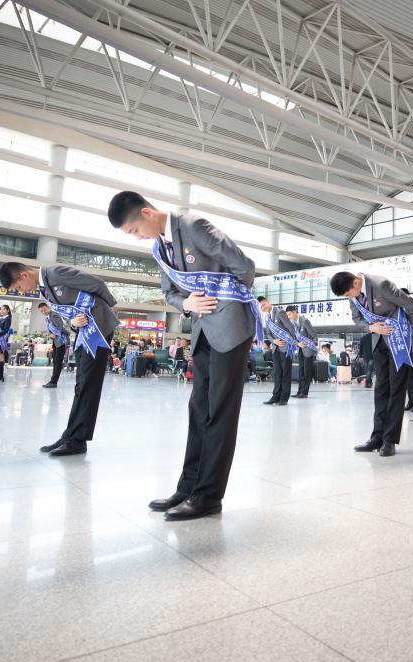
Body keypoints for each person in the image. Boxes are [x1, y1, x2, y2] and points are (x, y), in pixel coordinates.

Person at [108, 190, 259, 521]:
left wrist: (220, 302)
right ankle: (188, 487)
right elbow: (169, 293)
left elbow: (245, 268)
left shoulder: (194, 226)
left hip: (231, 330)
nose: (136, 238)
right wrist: (187, 304)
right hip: (202, 332)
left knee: (220, 412)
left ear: (147, 213)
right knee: (199, 411)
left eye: (134, 230)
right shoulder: (159, 247)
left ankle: (209, 496)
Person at [0, 261, 119, 456]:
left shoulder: (55, 273)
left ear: (24, 275)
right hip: (84, 332)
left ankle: (78, 440)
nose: (22, 291)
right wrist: (73, 323)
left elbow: (97, 284)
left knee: (88, 384)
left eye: (19, 287)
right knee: (81, 385)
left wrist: (104, 312)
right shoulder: (44, 287)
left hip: (98, 331)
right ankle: (70, 435)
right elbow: (72, 311)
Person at [331, 269, 413, 458]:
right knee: (381, 389)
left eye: (349, 293)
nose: (350, 298)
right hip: (378, 340)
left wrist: (410, 332)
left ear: (356, 283)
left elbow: (411, 305)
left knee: (397, 389)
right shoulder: (354, 296)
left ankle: (390, 440)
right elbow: (357, 319)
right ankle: (377, 437)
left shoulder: (381, 285)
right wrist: (370, 327)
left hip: (399, 343)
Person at [259, 297, 295, 406]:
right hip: (275, 348)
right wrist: (274, 341)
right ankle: (275, 396)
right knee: (277, 373)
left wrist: (286, 341)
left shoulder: (279, 313)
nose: (263, 308)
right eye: (261, 307)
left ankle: (284, 398)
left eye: (264, 304)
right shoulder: (267, 317)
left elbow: (291, 328)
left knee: (285, 373)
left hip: (285, 347)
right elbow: (268, 334)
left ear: (268, 302)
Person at [287, 305, 318, 399]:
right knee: (301, 371)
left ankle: (304, 393)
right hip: (300, 349)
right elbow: (293, 337)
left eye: (289, 314)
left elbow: (313, 334)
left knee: (307, 372)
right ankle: (299, 391)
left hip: (308, 350)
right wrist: (298, 343)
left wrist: (306, 342)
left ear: (294, 312)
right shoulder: (293, 323)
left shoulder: (305, 321)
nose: (289, 317)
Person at [39, 302, 70, 389]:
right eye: (41, 311)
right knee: (56, 361)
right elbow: (50, 329)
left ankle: (53, 382)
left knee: (57, 362)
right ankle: (53, 381)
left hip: (61, 341)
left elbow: (61, 328)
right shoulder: (48, 317)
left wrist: (58, 334)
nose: (43, 312)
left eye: (44, 309)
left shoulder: (54, 315)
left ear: (48, 307)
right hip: (56, 341)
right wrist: (51, 334)